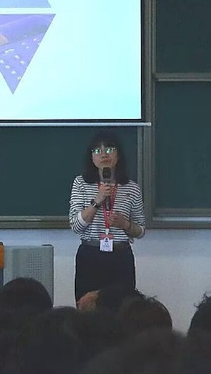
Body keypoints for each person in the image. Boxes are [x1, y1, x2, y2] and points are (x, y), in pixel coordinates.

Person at [69, 131, 146, 305]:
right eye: (97, 151)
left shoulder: (131, 188)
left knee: (123, 310)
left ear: (118, 155)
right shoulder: (81, 183)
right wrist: (97, 200)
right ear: (91, 158)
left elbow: (140, 230)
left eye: (109, 149)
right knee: (88, 310)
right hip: (90, 255)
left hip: (120, 256)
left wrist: (125, 224)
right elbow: (76, 226)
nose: (104, 155)